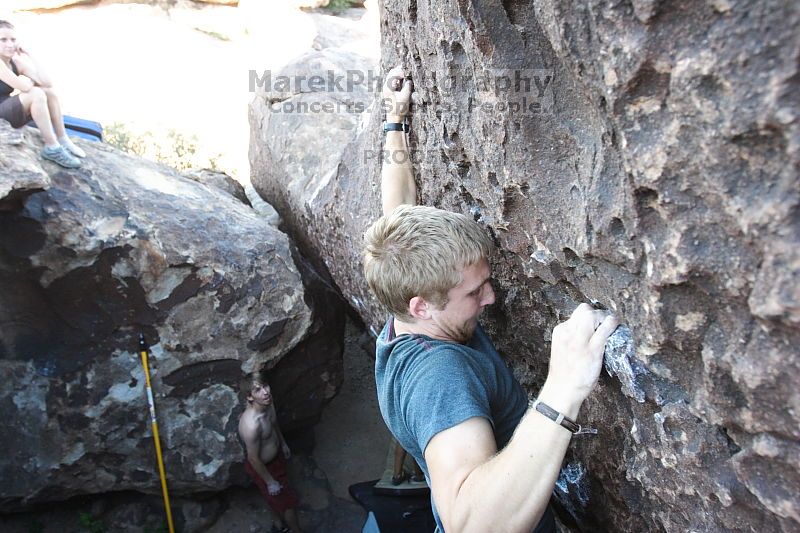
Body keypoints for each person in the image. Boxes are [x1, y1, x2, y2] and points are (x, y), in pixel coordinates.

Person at [364, 66, 619, 532]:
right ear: (422, 305)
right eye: (474, 291)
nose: (491, 298)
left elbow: (397, 213)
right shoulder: (440, 378)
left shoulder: (401, 286)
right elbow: (471, 524)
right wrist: (565, 386)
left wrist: (395, 123)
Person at [0, 20, 85, 168]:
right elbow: (24, 87)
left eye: (13, 39)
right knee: (36, 93)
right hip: (2, 116)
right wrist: (33, 83)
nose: (10, 44)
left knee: (48, 93)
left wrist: (30, 54)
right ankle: (52, 147)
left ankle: (62, 139)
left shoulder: (15, 62)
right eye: (3, 40)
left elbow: (47, 82)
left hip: (7, 109)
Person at [238, 371, 303, 533]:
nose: (265, 392)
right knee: (288, 504)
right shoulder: (251, 425)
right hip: (264, 467)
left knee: (276, 497)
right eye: (258, 390)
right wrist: (270, 481)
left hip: (276, 457)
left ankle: (277, 523)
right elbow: (253, 459)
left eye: (265, 386)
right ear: (250, 397)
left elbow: (274, 425)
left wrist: (283, 443)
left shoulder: (268, 403)